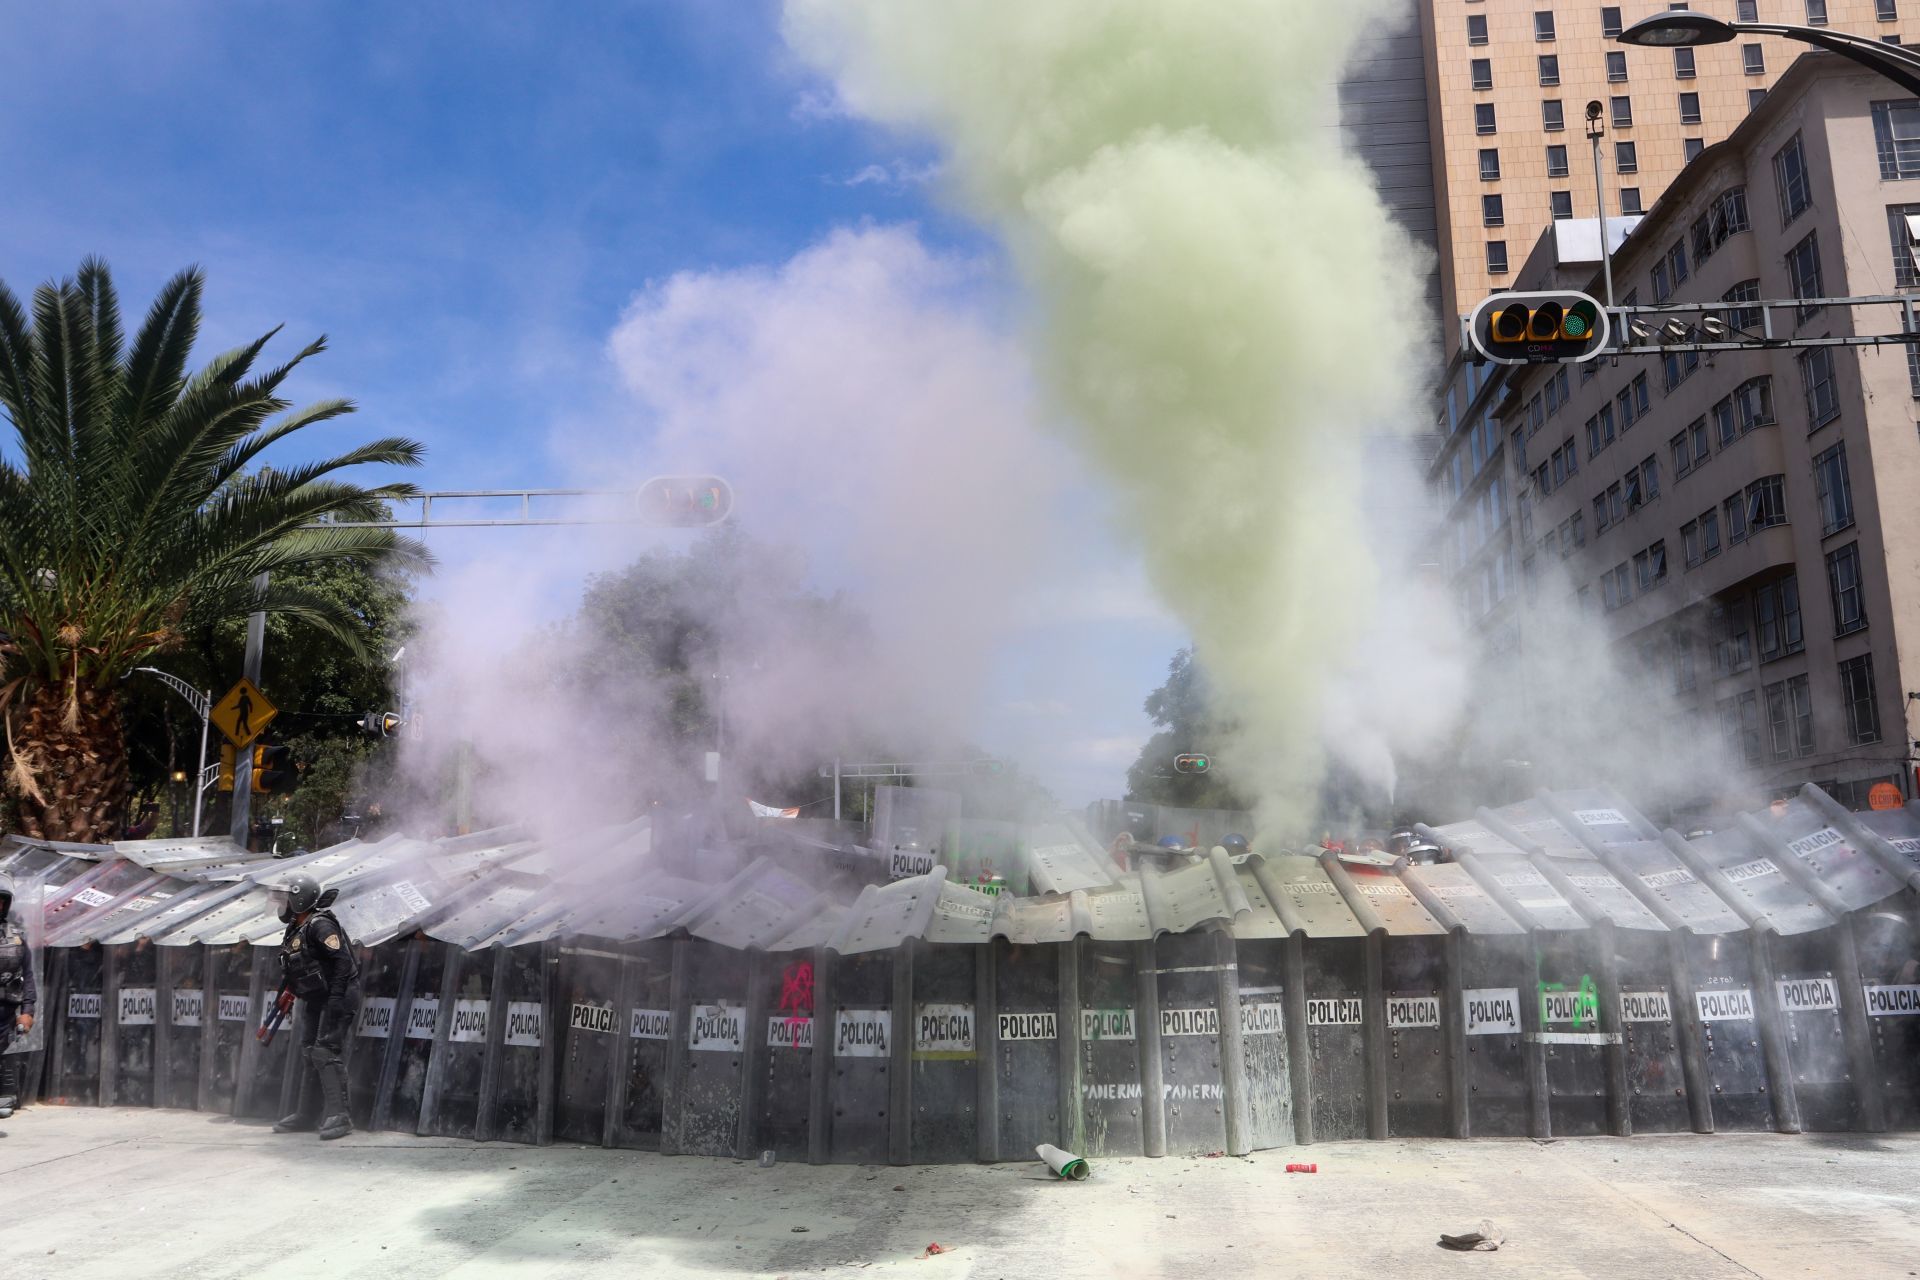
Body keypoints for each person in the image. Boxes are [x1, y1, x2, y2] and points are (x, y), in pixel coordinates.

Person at [270, 872, 361, 1140]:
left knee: (325, 1052)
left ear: (299, 900)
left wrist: (335, 999)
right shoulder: (297, 927)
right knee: (309, 1051)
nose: (281, 905)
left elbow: (343, 962)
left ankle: (341, 1116)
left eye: (286, 899)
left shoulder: (320, 925)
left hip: (338, 995)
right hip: (316, 996)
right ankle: (306, 1115)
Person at [0, 873, 38, 1119]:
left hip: (5, 1012)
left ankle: (5, 1096)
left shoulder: (16, 937)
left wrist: (27, 1011)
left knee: (4, 1056)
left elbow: (28, 976)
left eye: (1, 900)